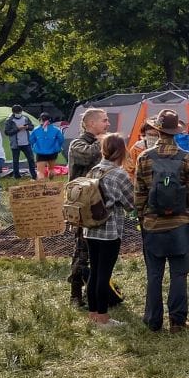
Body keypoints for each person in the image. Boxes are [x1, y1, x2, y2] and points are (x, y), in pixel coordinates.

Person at [134, 109, 189, 332]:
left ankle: (153, 320)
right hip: (180, 224)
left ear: (157, 130)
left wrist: (142, 217)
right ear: (176, 132)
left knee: (154, 274)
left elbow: (139, 195)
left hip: (153, 224)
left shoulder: (144, 158)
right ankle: (178, 321)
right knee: (179, 274)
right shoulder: (187, 158)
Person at [84, 133, 133, 328]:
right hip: (109, 231)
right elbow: (131, 203)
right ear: (121, 151)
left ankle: (93, 313)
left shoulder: (93, 171)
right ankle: (104, 317)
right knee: (104, 274)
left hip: (90, 229)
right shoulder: (119, 174)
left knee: (95, 271)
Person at [68, 108, 110, 307]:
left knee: (101, 253)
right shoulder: (78, 144)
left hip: (100, 205)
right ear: (91, 123)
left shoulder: (99, 142)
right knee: (81, 252)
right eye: (104, 120)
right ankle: (75, 294)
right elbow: (87, 157)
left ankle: (97, 290)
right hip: (82, 208)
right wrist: (104, 141)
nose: (108, 124)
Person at [4, 105, 37, 179]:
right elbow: (7, 132)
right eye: (17, 112)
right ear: (13, 112)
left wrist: (27, 127)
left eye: (19, 112)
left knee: (31, 159)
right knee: (15, 161)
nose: (18, 113)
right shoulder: (9, 120)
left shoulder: (25, 118)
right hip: (15, 144)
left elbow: (32, 127)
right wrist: (18, 129)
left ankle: (34, 175)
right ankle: (17, 176)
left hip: (26, 143)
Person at [30, 113, 65, 180]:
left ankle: (42, 185)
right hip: (53, 152)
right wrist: (58, 146)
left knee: (40, 172)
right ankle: (50, 182)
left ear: (40, 119)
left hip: (40, 153)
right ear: (50, 120)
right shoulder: (56, 129)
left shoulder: (36, 130)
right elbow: (61, 139)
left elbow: (31, 140)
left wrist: (34, 147)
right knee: (51, 169)